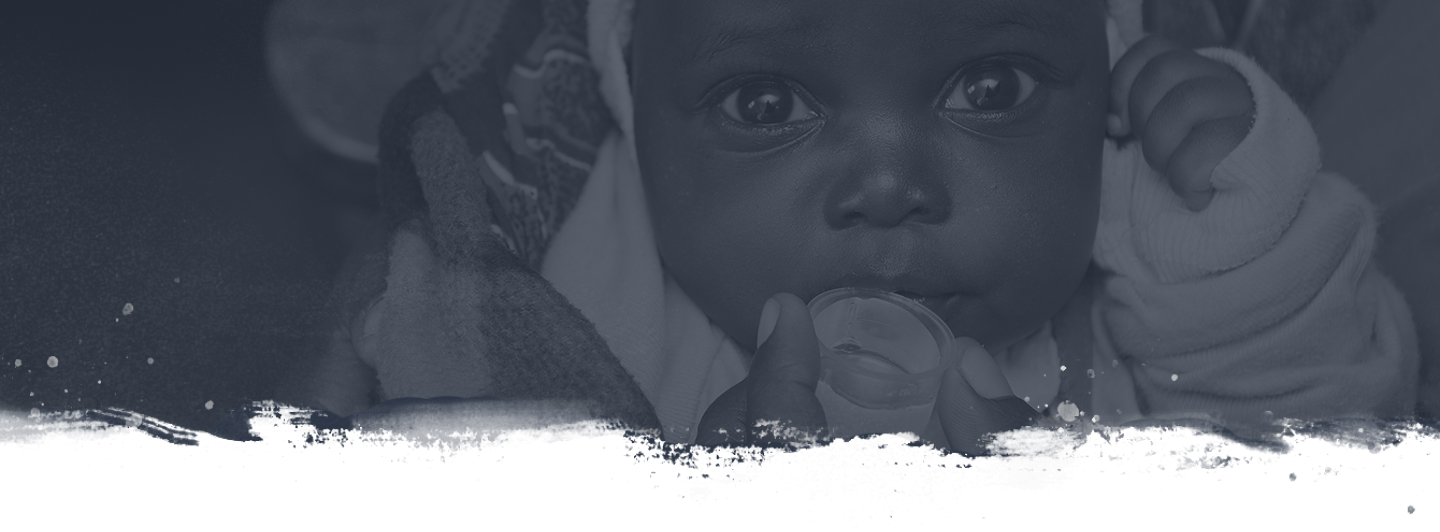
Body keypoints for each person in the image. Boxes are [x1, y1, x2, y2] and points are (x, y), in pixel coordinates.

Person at [293, 0, 1419, 456]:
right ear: (637, 122)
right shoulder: (590, 305)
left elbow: (1319, 443)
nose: (891, 185)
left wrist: (1239, 242)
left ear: (1109, 95)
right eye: (767, 105)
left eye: (993, 87)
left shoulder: (1140, 296)